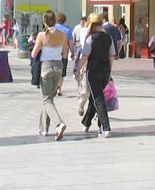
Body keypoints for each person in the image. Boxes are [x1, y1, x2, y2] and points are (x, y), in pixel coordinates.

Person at [31, 10, 69, 140]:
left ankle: (59, 123)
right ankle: (43, 129)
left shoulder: (42, 35)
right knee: (48, 99)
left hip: (46, 67)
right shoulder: (62, 35)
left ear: (44, 21)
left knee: (46, 99)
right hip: (58, 67)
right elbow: (64, 55)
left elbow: (33, 54)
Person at [78, 13, 113, 138]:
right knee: (95, 97)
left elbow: (85, 56)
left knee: (98, 98)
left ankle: (105, 126)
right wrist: (109, 72)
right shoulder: (108, 38)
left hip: (93, 71)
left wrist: (78, 69)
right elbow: (111, 56)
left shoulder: (90, 38)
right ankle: (86, 122)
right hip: (105, 70)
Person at [54, 13, 74, 87]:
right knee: (62, 72)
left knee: (54, 70)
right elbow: (71, 43)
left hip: (53, 52)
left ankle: (55, 86)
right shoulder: (67, 30)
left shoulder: (53, 28)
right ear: (64, 20)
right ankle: (59, 89)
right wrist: (72, 53)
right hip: (63, 53)